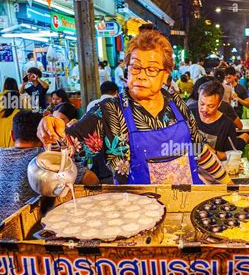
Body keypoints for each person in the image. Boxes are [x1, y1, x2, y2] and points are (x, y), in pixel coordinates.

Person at [38, 30, 232, 185]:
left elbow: (199, 150)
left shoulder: (176, 103)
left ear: (165, 75)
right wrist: (53, 131)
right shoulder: (109, 111)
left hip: (185, 204)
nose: (140, 75)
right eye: (135, 67)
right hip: (136, 213)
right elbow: (67, 149)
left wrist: (229, 185)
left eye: (152, 69)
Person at [0, 111, 99, 233]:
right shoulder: (44, 159)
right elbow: (92, 179)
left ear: (12, 135)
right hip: (25, 235)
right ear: (43, 135)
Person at [192, 81, 249, 161]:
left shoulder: (227, 125)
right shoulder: (189, 113)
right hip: (189, 165)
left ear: (219, 104)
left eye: (210, 106)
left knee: (245, 137)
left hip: (213, 167)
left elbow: (231, 155)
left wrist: (213, 152)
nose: (204, 109)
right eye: (201, 104)